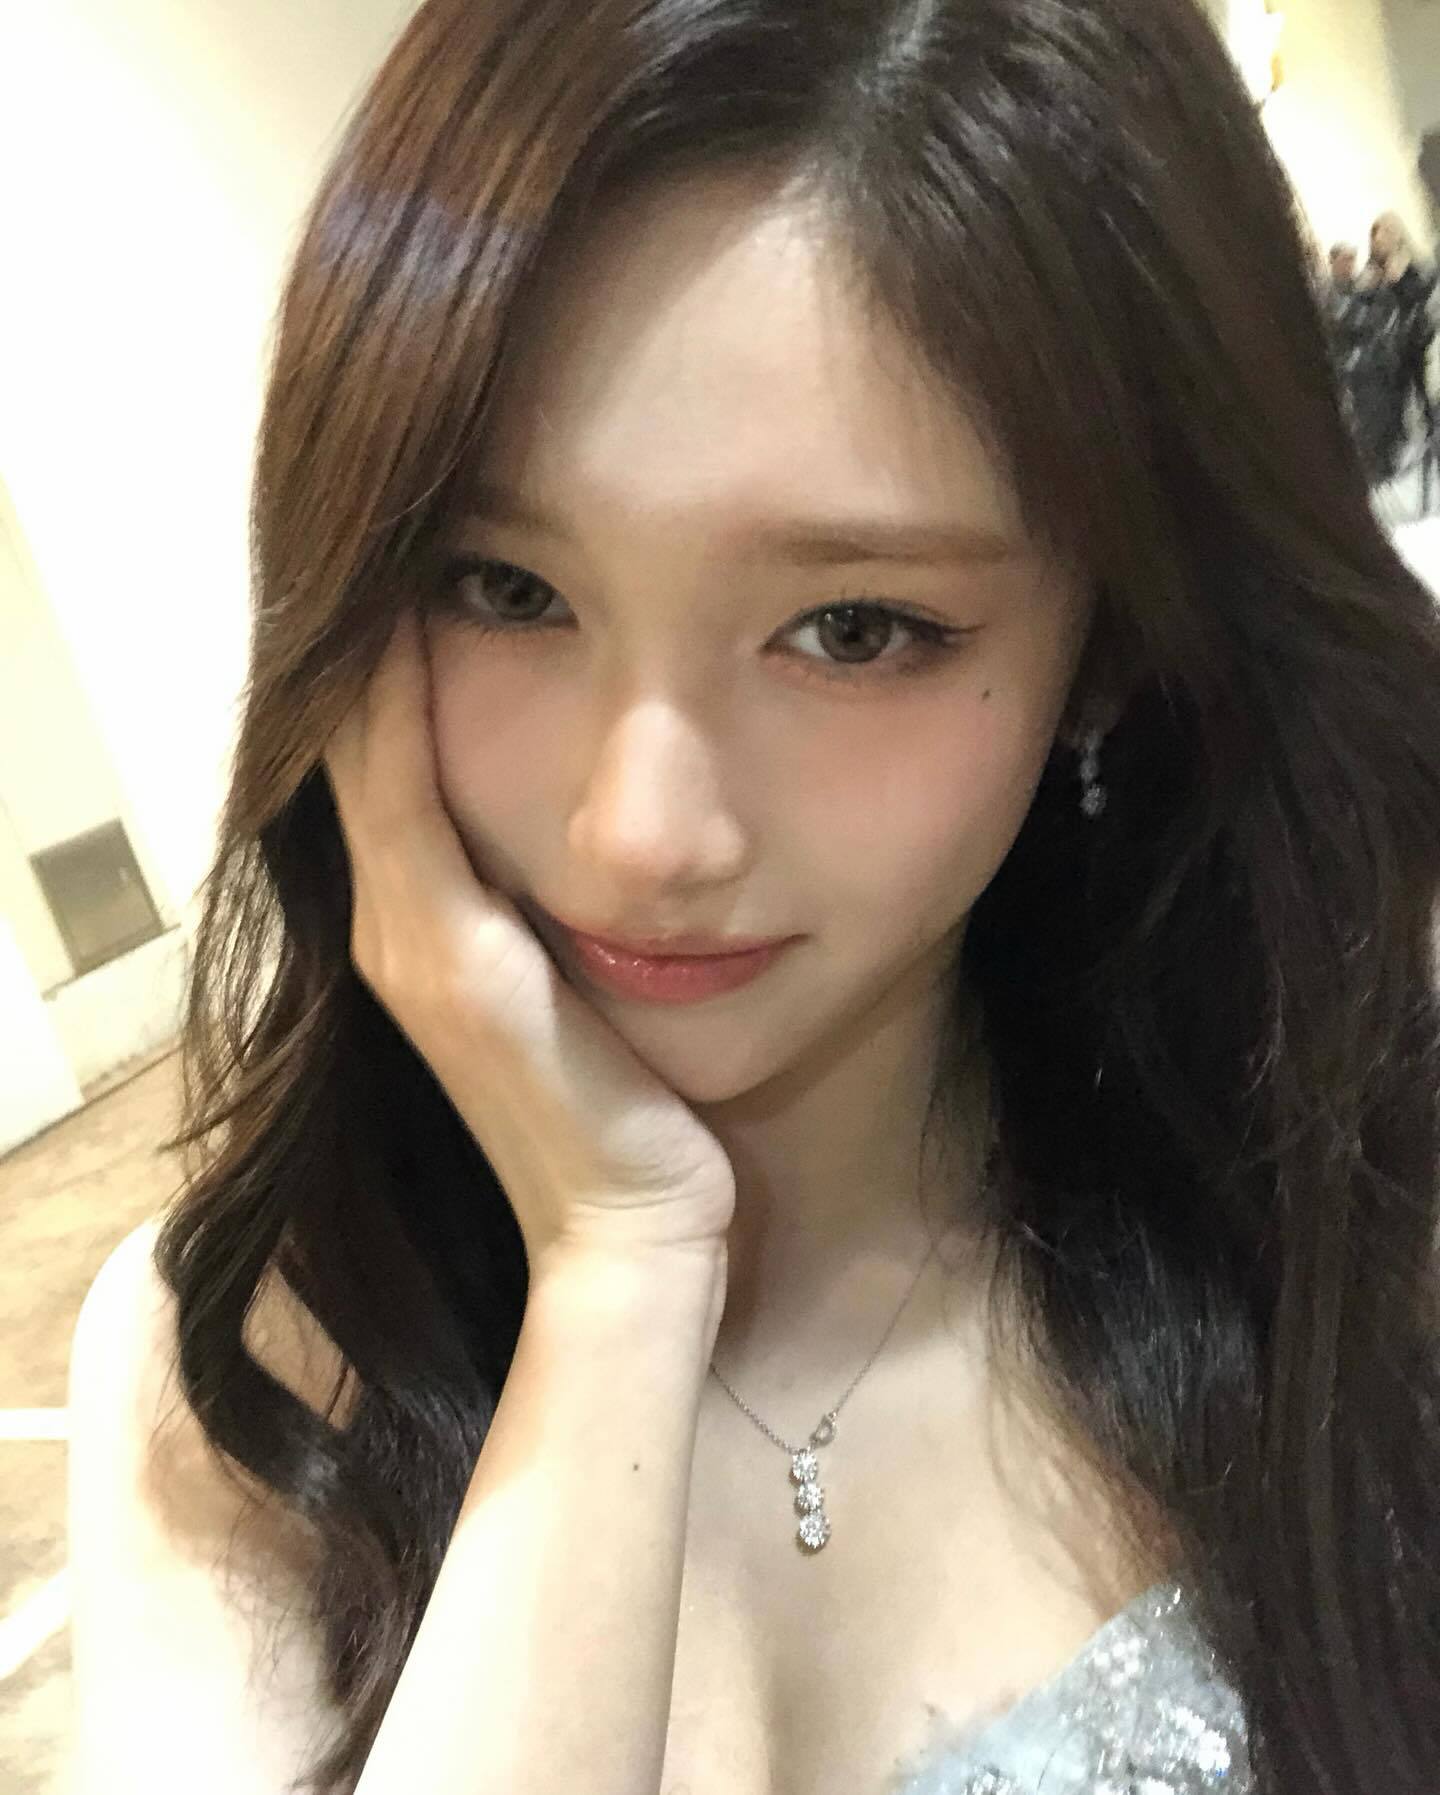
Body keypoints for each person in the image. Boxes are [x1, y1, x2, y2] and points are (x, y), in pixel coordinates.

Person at [65, 3, 1440, 1794]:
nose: (640, 835)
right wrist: (616, 1272)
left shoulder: (1352, 1216)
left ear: (1112, 642)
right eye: (505, 589)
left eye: (854, 628)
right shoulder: (241, 1368)